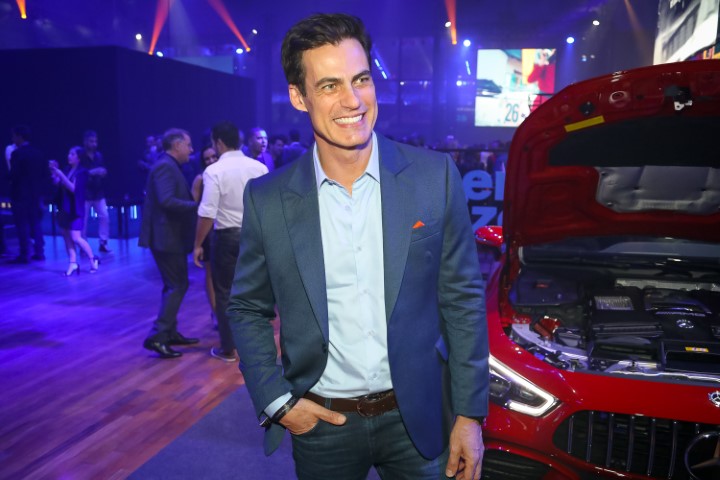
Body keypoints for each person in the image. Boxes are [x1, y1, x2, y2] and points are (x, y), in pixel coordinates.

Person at [227, 13, 488, 480]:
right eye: (329, 86)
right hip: (321, 423)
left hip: (420, 417)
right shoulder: (268, 200)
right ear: (299, 97)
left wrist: (470, 414)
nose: (353, 100)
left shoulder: (434, 177)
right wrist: (277, 402)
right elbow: (247, 307)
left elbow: (462, 300)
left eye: (361, 79)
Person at [193, 121, 268, 361]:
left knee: (225, 292)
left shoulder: (214, 171)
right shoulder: (259, 168)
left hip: (226, 237)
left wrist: (197, 244)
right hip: (254, 236)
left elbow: (207, 212)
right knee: (254, 291)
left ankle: (229, 348)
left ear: (218, 143)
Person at [139, 128, 199, 359]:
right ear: (177, 145)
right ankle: (158, 336)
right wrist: (198, 206)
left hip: (168, 237)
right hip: (166, 238)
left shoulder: (168, 165)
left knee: (174, 285)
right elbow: (166, 201)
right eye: (188, 145)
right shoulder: (165, 166)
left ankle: (170, 332)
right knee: (177, 285)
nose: (191, 150)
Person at [49, 147, 99, 276]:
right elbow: (58, 183)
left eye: (72, 154)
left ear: (79, 157)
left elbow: (73, 189)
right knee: (66, 236)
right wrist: (55, 173)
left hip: (76, 208)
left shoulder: (82, 172)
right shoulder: (66, 169)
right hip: (64, 207)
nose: (69, 156)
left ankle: (92, 259)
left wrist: (61, 175)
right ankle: (72, 262)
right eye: (69, 153)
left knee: (76, 237)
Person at [8, 125, 46, 263]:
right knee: (35, 223)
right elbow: (43, 174)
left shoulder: (17, 154)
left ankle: (24, 254)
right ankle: (39, 252)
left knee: (22, 224)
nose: (13, 139)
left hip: (20, 194)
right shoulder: (38, 153)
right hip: (35, 194)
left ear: (19, 137)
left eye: (14, 136)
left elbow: (14, 175)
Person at [191, 144, 219, 330]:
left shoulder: (223, 173)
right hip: (208, 229)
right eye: (207, 159)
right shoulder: (200, 179)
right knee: (210, 272)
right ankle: (215, 312)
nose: (210, 161)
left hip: (226, 227)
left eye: (213, 157)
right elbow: (195, 208)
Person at [80, 130, 112, 253]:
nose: (94, 144)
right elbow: (79, 173)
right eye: (91, 141)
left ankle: (103, 242)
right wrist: (93, 172)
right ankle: (83, 244)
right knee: (83, 219)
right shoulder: (80, 155)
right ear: (85, 142)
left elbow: (102, 168)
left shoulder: (99, 155)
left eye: (95, 141)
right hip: (85, 192)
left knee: (105, 216)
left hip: (98, 192)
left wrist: (103, 172)